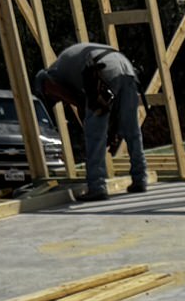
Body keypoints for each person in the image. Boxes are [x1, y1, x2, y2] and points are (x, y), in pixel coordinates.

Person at [34, 42, 147, 202]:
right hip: (125, 68)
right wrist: (110, 129)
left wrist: (102, 128)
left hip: (101, 70)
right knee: (131, 130)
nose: (58, 100)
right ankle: (140, 178)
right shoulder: (69, 66)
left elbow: (79, 103)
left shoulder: (49, 79)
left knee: (94, 136)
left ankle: (97, 187)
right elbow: (93, 107)